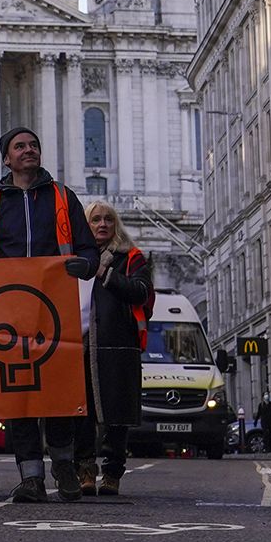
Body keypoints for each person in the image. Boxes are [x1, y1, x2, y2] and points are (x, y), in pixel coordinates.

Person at [0, 126, 100, 503]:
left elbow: (88, 248)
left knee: (59, 394)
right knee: (18, 396)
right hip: (10, 311)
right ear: (7, 157)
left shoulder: (63, 197)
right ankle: (31, 477)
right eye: (20, 147)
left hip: (56, 308)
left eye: (34, 145)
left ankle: (64, 464)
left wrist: (84, 265)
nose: (29, 151)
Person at [71, 201, 152, 496]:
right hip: (78, 346)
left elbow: (142, 292)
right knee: (81, 414)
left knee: (116, 416)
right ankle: (85, 470)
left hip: (116, 346)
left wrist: (106, 274)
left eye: (108, 219)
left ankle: (113, 473)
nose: (102, 224)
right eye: (95, 220)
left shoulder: (130, 257)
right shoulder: (74, 258)